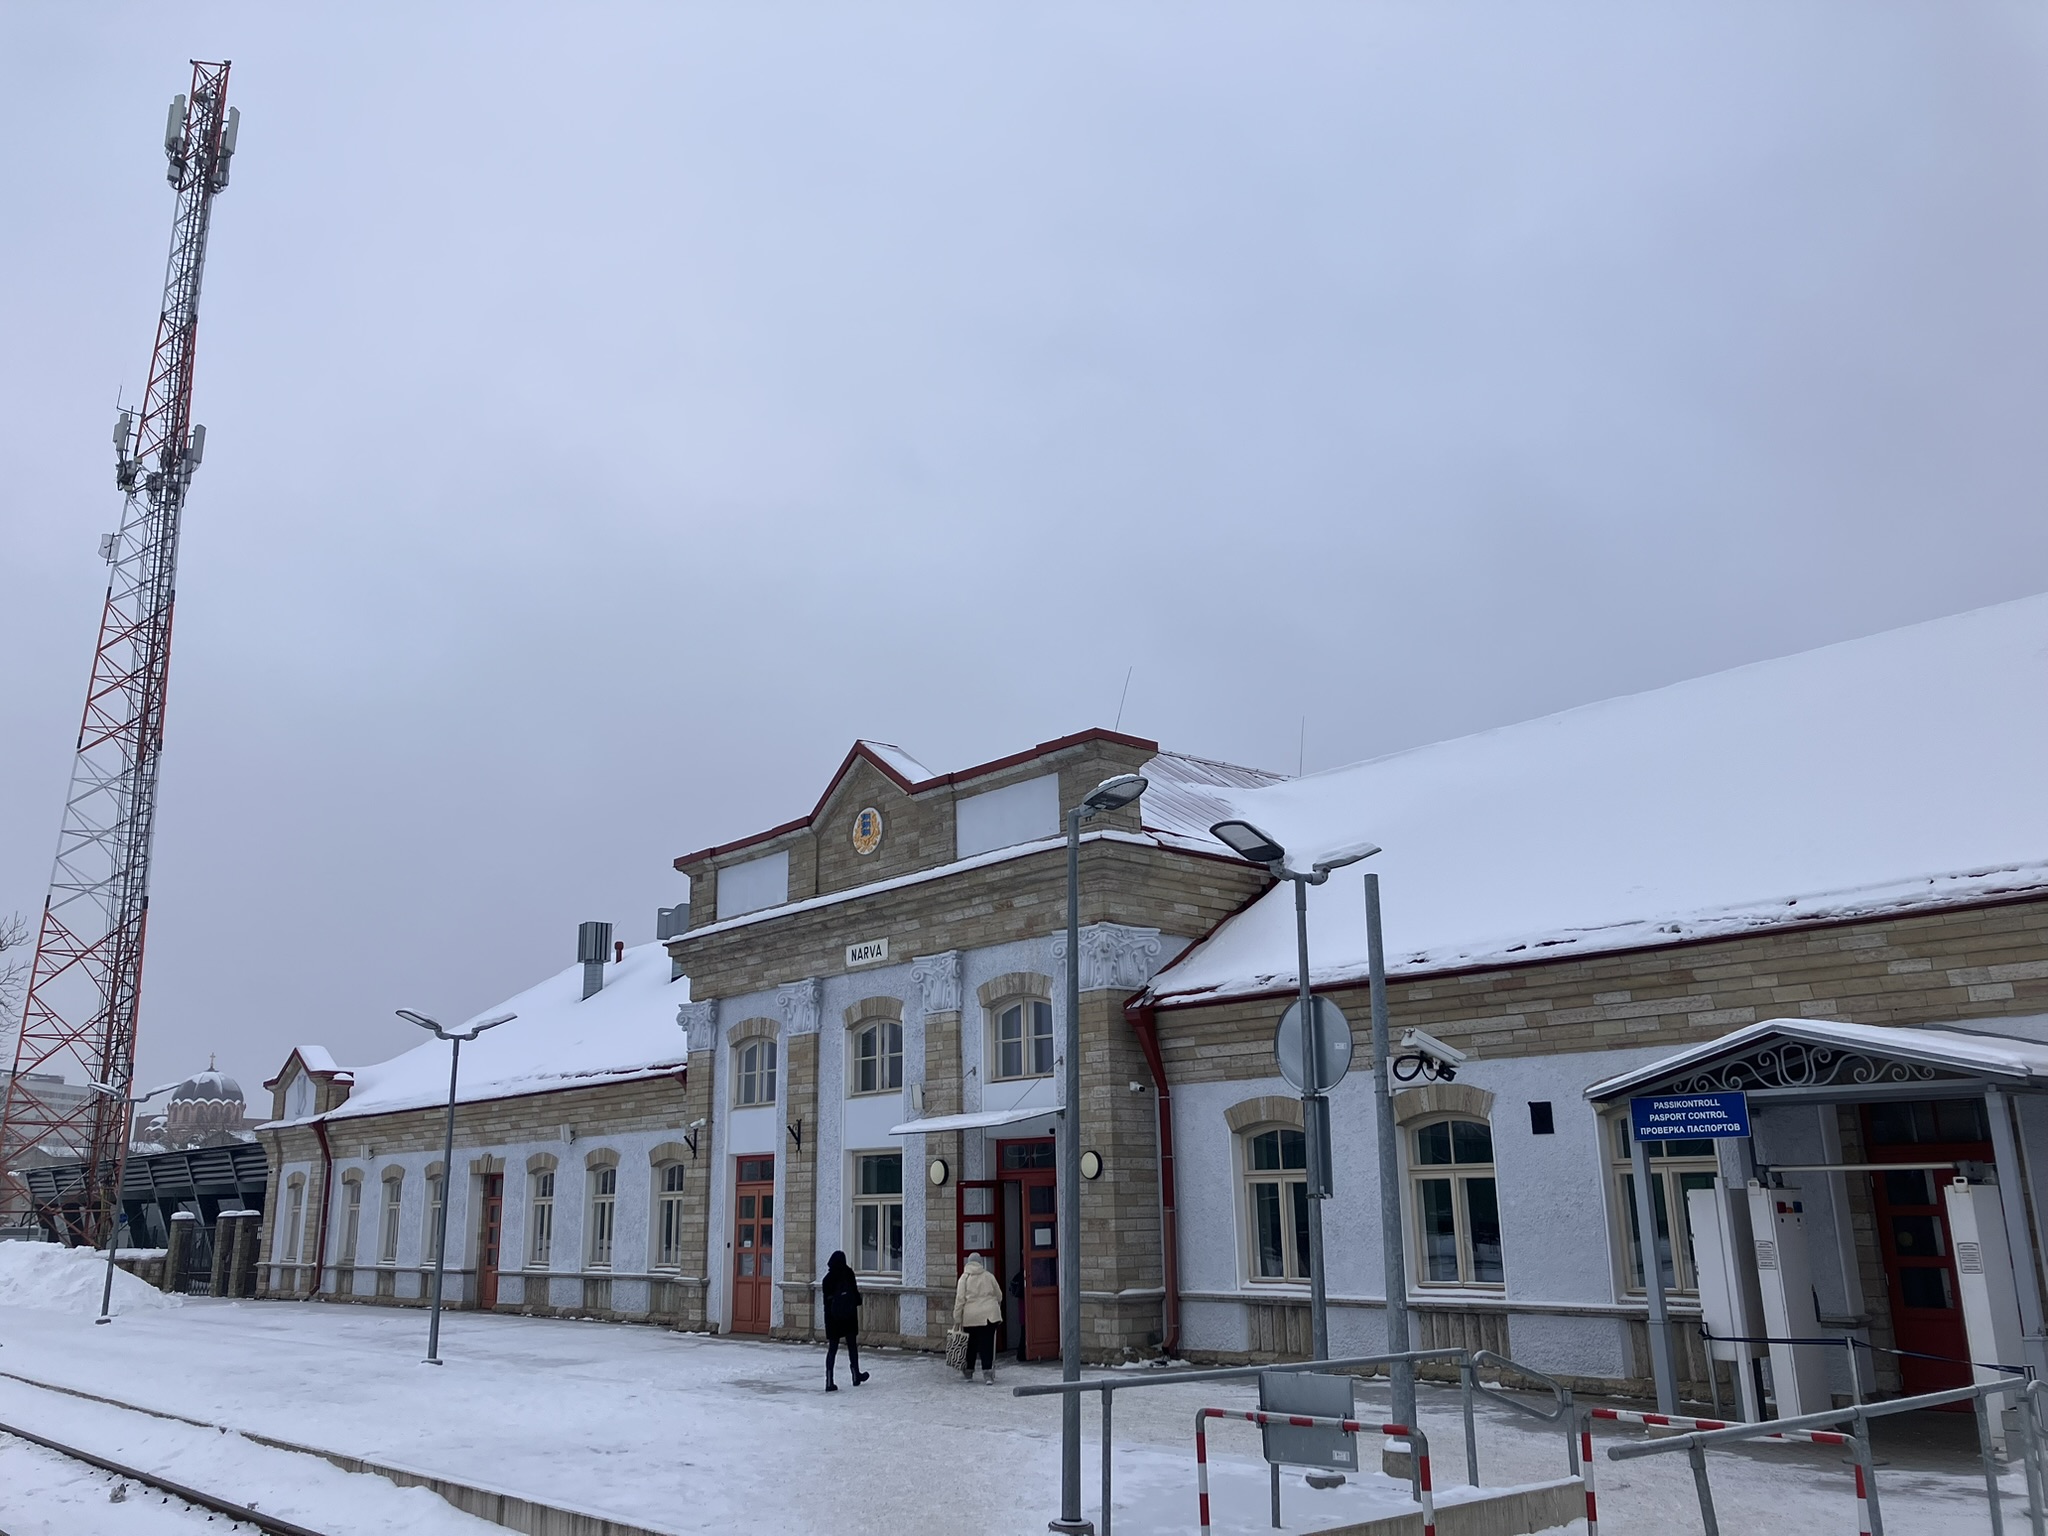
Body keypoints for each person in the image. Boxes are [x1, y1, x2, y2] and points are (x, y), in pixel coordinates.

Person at [954, 1252, 1004, 1385]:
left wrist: (957, 1318)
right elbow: (999, 1295)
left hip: (971, 1317)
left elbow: (960, 1300)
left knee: (970, 1344)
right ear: (980, 1262)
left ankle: (969, 1372)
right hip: (989, 1316)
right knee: (987, 1344)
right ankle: (988, 1374)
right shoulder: (989, 1276)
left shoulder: (964, 1278)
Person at [821, 1251, 868, 1392]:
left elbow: (826, 1302)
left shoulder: (827, 1279)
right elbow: (855, 1294)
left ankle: (829, 1381)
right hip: (849, 1316)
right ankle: (855, 1375)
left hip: (833, 1318)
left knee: (832, 1349)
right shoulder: (848, 1274)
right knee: (852, 1346)